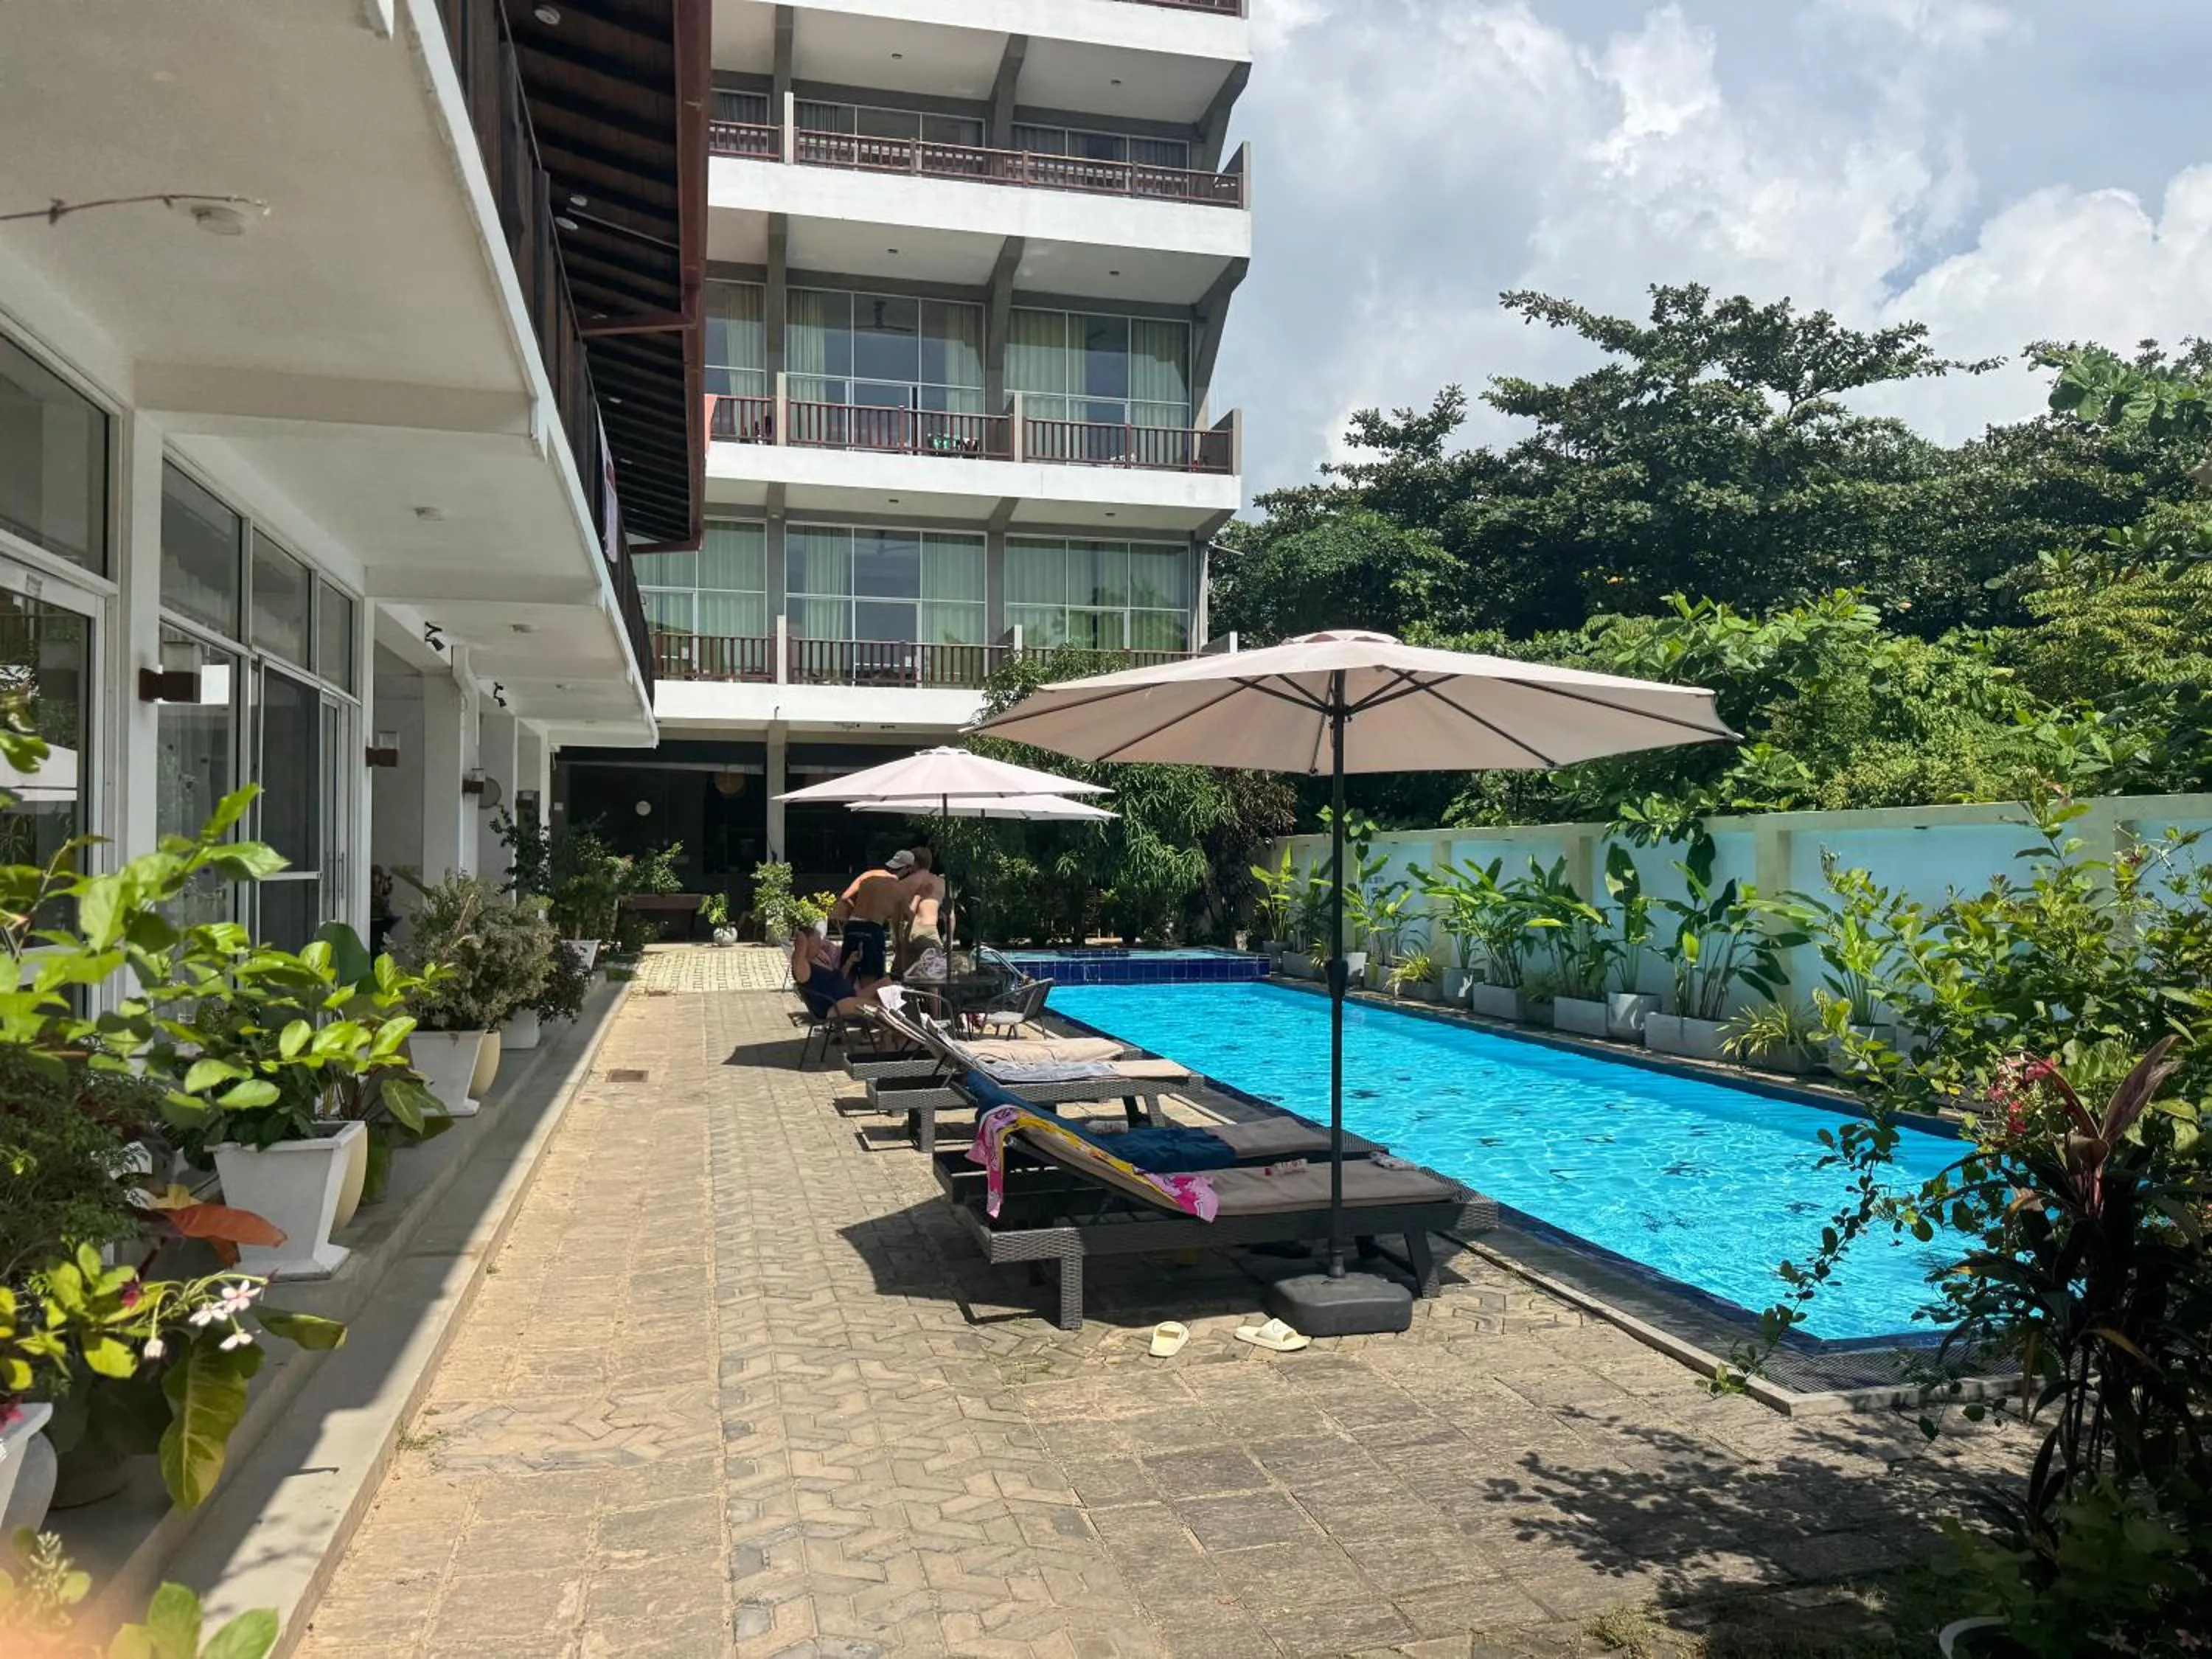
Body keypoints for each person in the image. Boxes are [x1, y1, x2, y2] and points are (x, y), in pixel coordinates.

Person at [831, 852, 909, 984]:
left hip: (853, 926)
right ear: (907, 869)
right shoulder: (899, 887)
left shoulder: (868, 877)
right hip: (873, 928)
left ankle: (843, 1001)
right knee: (871, 978)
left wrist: (853, 912)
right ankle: (866, 1003)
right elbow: (909, 915)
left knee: (848, 972)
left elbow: (845, 897)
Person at [790, 924, 866, 1020]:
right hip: (835, 1006)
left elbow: (837, 978)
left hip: (847, 997)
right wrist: (801, 933)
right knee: (881, 1005)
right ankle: (885, 1033)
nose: (821, 944)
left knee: (885, 984)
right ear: (806, 944)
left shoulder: (818, 958)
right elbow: (800, 942)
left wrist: (849, 962)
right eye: (817, 941)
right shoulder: (804, 968)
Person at [895, 846, 949, 975]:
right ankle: (932, 995)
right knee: (933, 977)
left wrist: (897, 940)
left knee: (904, 976)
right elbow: (950, 915)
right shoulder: (941, 883)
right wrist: (949, 940)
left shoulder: (905, 883)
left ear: (913, 863)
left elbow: (899, 914)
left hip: (908, 932)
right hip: (928, 931)